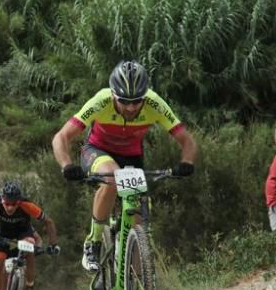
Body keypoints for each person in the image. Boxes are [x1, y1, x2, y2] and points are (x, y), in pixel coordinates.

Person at [52, 60, 197, 272]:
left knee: (138, 225)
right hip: (97, 151)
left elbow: (187, 141)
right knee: (112, 178)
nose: (130, 107)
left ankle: (132, 285)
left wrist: (187, 162)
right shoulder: (101, 101)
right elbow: (61, 137)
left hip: (131, 157)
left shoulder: (154, 103)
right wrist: (66, 164)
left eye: (137, 101)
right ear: (112, 95)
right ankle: (93, 242)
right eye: (124, 101)